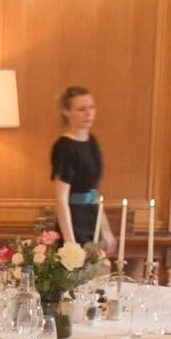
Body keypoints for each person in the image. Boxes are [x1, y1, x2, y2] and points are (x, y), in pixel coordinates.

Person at [49, 86, 113, 249]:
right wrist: (70, 242)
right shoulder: (64, 147)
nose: (89, 113)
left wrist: (106, 230)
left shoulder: (92, 142)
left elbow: (94, 192)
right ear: (66, 112)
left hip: (92, 219)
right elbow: (62, 200)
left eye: (91, 107)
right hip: (74, 223)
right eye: (81, 109)